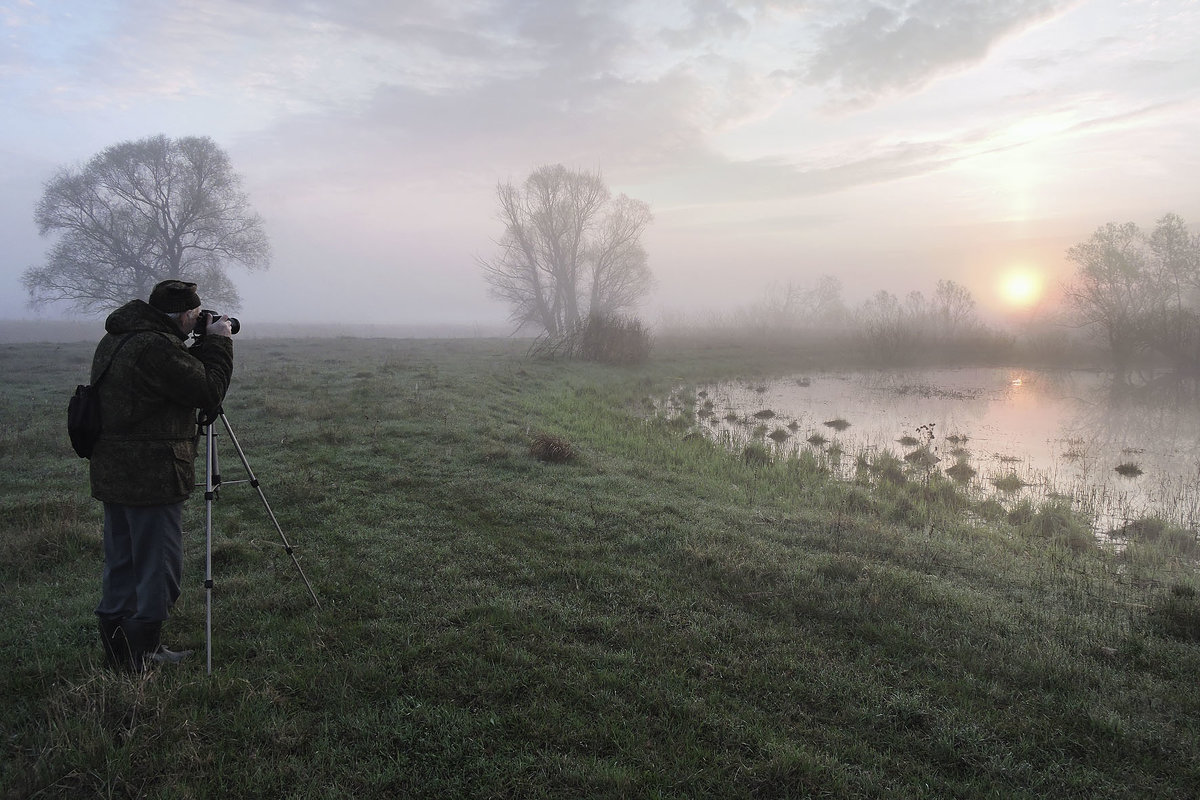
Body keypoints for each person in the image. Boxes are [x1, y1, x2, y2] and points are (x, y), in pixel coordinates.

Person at [90, 279, 234, 671]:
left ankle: (118, 650)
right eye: (193, 316)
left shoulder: (121, 337)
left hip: (114, 471)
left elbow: (171, 383)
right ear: (184, 314)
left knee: (122, 562)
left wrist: (196, 344)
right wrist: (219, 341)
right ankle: (144, 653)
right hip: (151, 474)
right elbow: (207, 389)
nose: (195, 322)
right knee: (158, 564)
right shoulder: (155, 347)